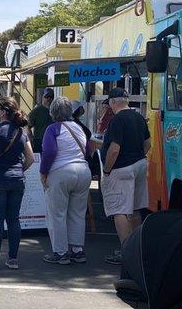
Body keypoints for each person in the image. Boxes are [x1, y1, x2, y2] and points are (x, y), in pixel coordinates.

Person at [0, 97, 34, 271]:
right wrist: (19, 171)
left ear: (3, 112)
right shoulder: (21, 132)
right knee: (13, 220)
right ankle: (13, 259)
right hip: (17, 180)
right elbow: (31, 158)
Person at [100, 88, 151, 265]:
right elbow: (147, 144)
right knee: (136, 209)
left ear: (114, 102)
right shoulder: (139, 117)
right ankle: (137, 248)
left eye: (109, 104)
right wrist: (137, 156)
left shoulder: (117, 120)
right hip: (139, 165)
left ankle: (126, 252)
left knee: (119, 210)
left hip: (121, 169)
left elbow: (114, 149)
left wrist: (107, 170)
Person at [40, 96, 92, 265]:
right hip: (83, 171)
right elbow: (89, 149)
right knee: (77, 213)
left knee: (57, 214)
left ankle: (60, 252)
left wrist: (43, 173)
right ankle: (78, 250)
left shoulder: (53, 129)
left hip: (61, 172)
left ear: (52, 112)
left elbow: (49, 153)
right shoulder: (79, 128)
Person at [28, 88, 54, 153]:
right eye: (46, 96)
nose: (49, 99)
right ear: (42, 97)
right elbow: (27, 126)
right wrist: (31, 140)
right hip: (39, 141)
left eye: (51, 97)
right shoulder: (37, 111)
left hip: (52, 140)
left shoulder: (55, 111)